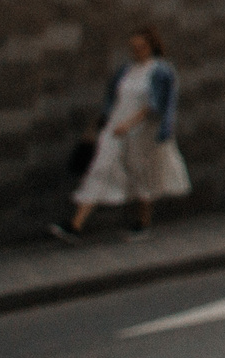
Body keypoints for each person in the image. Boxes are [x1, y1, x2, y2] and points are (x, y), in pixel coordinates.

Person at [50, 27, 190, 243]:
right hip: (115, 128)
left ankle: (142, 222)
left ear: (151, 47)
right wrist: (103, 123)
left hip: (142, 132)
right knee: (100, 167)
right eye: (133, 47)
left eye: (141, 47)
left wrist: (130, 123)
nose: (136, 51)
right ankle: (74, 226)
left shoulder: (161, 71)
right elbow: (113, 99)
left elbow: (155, 105)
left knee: (141, 173)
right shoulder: (126, 70)